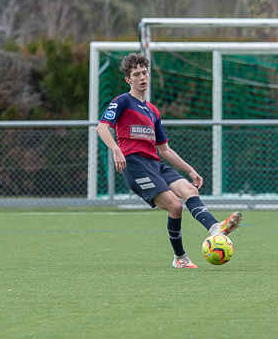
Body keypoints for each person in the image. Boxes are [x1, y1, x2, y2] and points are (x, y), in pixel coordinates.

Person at [96, 52, 241, 268]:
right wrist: (116, 150)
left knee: (190, 191)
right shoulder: (123, 101)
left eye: (145, 72)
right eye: (136, 74)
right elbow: (102, 128)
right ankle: (180, 258)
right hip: (135, 165)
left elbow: (165, 149)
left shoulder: (153, 111)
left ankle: (214, 228)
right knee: (175, 205)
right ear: (128, 79)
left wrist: (191, 170)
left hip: (156, 164)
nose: (142, 77)